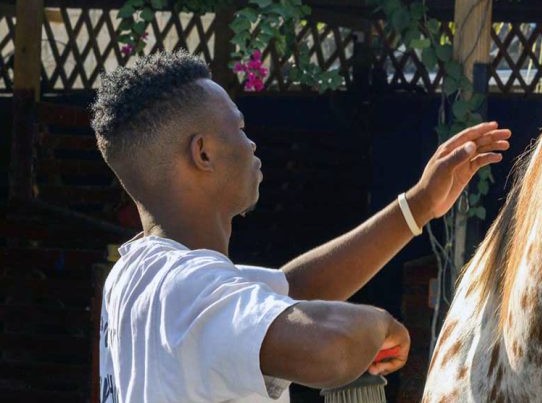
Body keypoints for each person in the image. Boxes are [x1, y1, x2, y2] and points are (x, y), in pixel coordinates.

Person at [91, 51, 511, 403]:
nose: (250, 143)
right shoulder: (188, 290)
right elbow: (329, 347)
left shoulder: (136, 274)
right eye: (238, 128)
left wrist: (418, 206)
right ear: (203, 153)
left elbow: (291, 289)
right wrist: (379, 323)